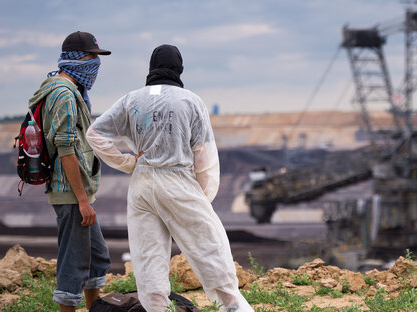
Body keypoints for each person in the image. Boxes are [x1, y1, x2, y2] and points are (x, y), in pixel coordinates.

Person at [86, 44, 253, 312]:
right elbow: (204, 154)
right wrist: (203, 197)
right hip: (177, 180)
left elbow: (94, 134)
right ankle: (234, 307)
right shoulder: (190, 100)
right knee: (211, 249)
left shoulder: (131, 99)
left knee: (148, 257)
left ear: (151, 68)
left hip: (141, 186)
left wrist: (128, 163)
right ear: (179, 69)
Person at [27, 31, 112, 311]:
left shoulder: (71, 90)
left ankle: (94, 307)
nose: (95, 65)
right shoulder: (63, 95)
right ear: (78, 59)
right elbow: (65, 150)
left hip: (79, 191)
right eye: (92, 57)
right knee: (73, 262)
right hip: (71, 192)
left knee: (97, 256)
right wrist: (82, 200)